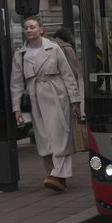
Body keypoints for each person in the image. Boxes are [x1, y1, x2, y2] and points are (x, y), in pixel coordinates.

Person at [11, 16, 82, 192]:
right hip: (35, 98)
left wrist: (75, 100)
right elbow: (16, 83)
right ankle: (55, 174)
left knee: (59, 135)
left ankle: (57, 174)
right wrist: (16, 108)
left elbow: (67, 75)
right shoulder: (20, 54)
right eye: (26, 27)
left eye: (32, 27)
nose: (29, 30)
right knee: (44, 138)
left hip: (57, 95)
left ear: (41, 29)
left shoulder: (54, 48)